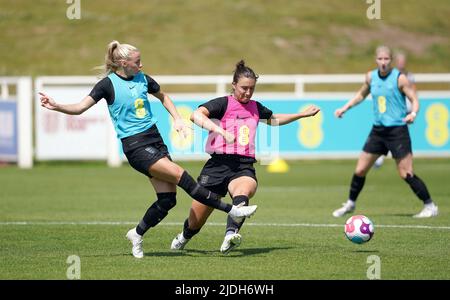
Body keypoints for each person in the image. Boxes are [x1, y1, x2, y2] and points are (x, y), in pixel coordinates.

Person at [39, 41, 258, 258]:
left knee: (167, 200)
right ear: (124, 63)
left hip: (156, 141)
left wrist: (177, 120)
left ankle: (136, 233)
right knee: (183, 176)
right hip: (135, 147)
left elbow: (163, 96)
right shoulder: (107, 85)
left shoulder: (143, 79)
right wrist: (57, 106)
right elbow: (79, 108)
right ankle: (233, 210)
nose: (141, 65)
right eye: (137, 62)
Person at [170, 60, 320, 254]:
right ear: (234, 85)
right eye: (244, 88)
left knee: (244, 189)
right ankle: (184, 236)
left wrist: (300, 115)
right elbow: (196, 115)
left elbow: (273, 119)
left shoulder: (256, 107)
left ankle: (230, 234)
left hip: (243, 165)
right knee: (195, 221)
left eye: (252, 89)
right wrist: (220, 131)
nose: (248, 93)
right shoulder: (222, 103)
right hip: (216, 165)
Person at [332, 46, 438, 218]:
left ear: (391, 60)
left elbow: (414, 98)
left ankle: (430, 206)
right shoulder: (370, 77)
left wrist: (413, 113)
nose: (383, 62)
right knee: (360, 170)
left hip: (398, 131)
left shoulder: (399, 78)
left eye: (386, 59)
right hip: (378, 131)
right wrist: (345, 108)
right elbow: (361, 95)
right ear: (376, 59)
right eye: (380, 59)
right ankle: (350, 204)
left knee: (406, 173)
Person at [373, 51, 416, 168]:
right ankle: (381, 157)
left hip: (406, 109)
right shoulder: (392, 75)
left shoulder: (408, 76)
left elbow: (413, 92)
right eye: (400, 61)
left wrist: (413, 110)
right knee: (389, 132)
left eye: (403, 61)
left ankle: (400, 158)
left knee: (397, 134)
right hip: (394, 109)